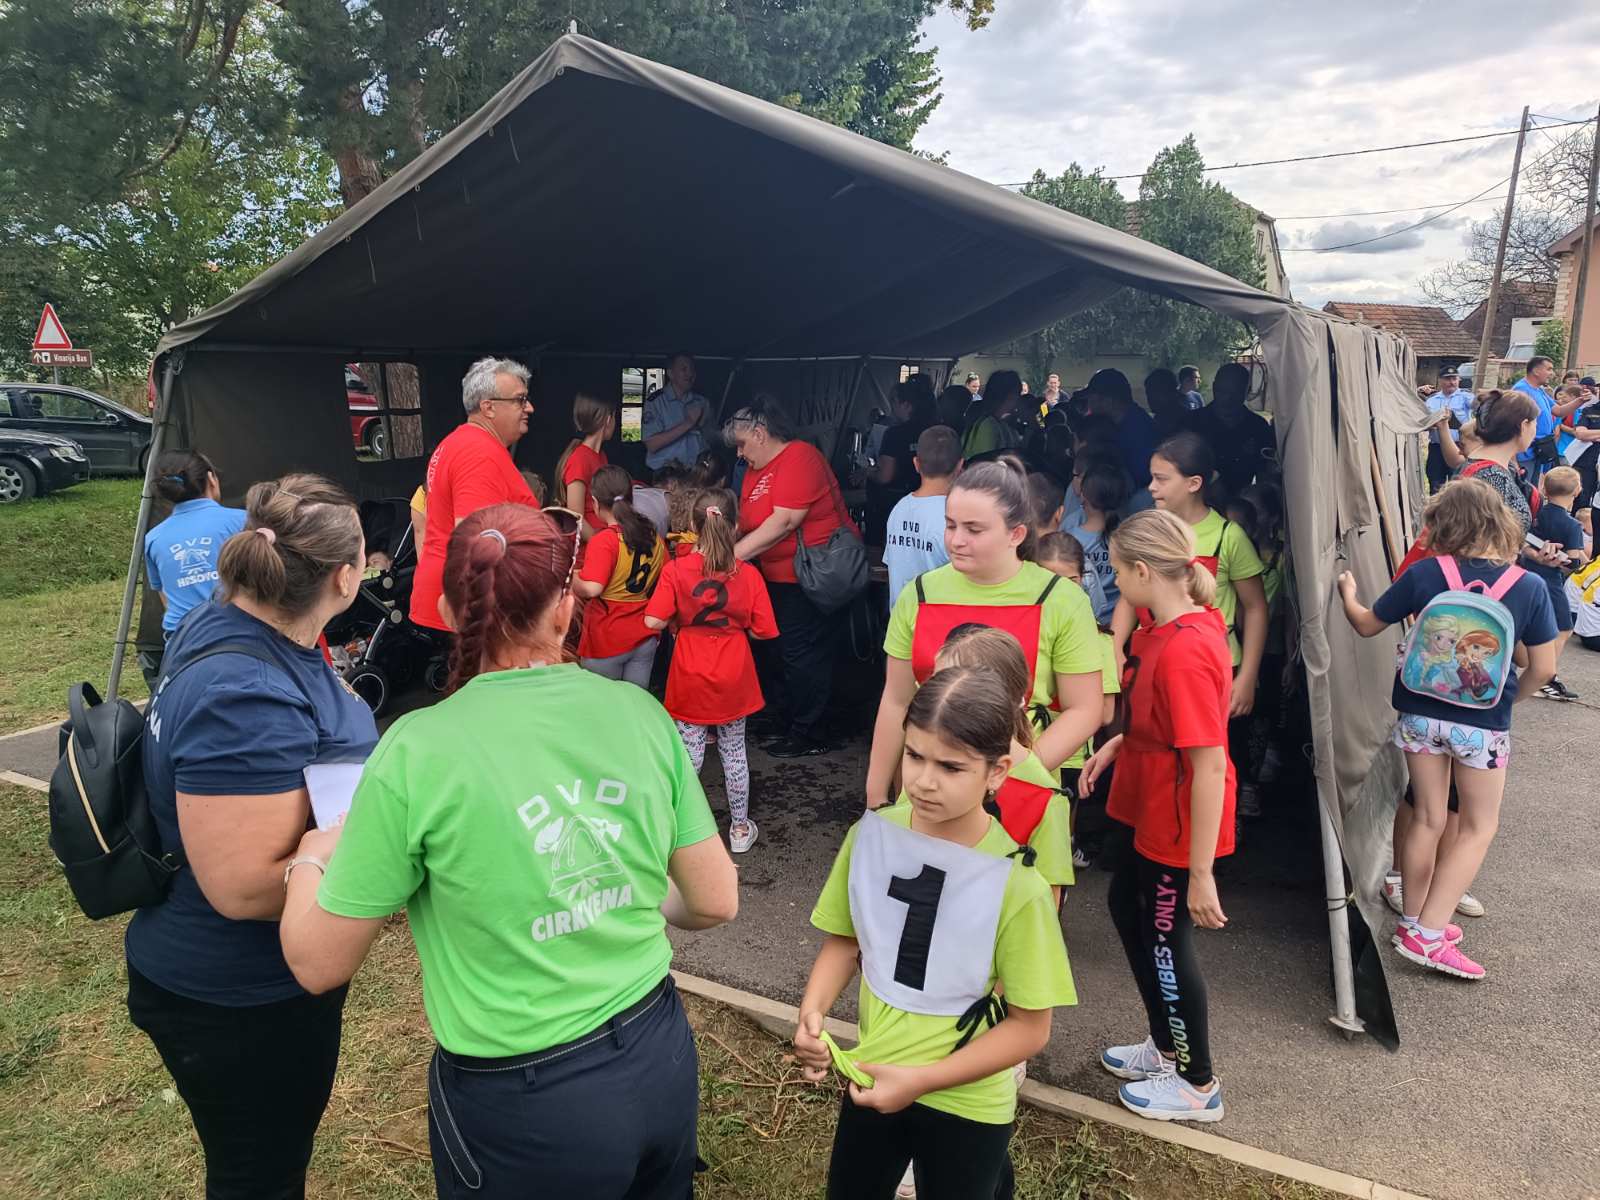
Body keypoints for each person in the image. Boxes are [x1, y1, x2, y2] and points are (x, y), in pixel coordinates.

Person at [277, 503, 739, 1199]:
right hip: (660, 1056)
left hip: (526, 1103)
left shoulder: (417, 750)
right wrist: (621, 888)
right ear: (566, 608)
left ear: (444, 609)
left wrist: (310, 857)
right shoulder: (640, 714)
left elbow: (317, 963)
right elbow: (714, 900)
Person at [128, 474, 376, 1199]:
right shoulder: (246, 696)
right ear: (344, 578)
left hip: (242, 985)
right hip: (238, 998)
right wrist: (357, 857)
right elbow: (241, 889)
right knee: (259, 1175)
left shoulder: (231, 620)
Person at [794, 666, 1076, 1200]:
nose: (924, 781)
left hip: (968, 1102)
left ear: (997, 771)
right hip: (873, 1070)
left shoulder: (1018, 885)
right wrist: (813, 1011)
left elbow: (1030, 1028)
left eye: (951, 766)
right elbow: (847, 940)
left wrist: (922, 1080)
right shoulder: (870, 837)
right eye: (914, 755)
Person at [1339, 478, 1556, 981]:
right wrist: (1508, 701)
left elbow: (1367, 624)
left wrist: (1349, 592)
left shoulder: (1426, 573)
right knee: (1478, 826)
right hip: (1481, 726)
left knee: (1428, 816)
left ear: (1442, 524)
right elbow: (1543, 668)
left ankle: (1414, 920)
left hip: (1419, 714)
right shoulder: (1527, 586)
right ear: (1498, 522)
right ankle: (1430, 934)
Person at [1080, 508, 1233, 1122]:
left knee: (1167, 941)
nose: (1116, 584)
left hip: (1177, 819)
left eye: (1118, 574)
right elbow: (1164, 717)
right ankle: (1167, 1046)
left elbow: (1209, 763)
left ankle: (1197, 1083)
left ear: (1144, 571)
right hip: (1149, 796)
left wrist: (1201, 872)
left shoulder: (1188, 648)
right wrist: (1122, 741)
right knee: (1127, 907)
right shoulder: (1159, 630)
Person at [866, 460, 1105, 808]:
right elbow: (896, 700)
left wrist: (1014, 775)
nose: (956, 540)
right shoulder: (918, 593)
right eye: (950, 525)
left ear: (1016, 534)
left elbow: (1085, 708)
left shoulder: (1061, 599)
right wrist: (875, 797)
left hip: (1019, 796)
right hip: (926, 793)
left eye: (974, 530)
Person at [645, 489, 778, 854]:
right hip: (734, 670)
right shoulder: (748, 574)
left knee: (689, 755)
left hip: (690, 669)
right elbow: (763, 630)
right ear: (735, 527)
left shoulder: (675, 570)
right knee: (734, 752)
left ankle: (682, 829)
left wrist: (678, 620)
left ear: (692, 525)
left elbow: (653, 619)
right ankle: (739, 829)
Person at [728, 394, 860, 758]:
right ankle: (790, 718)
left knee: (803, 654)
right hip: (778, 576)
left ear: (759, 433)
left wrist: (727, 559)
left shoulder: (800, 457)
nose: (739, 453)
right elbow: (746, 520)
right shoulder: (757, 469)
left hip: (810, 578)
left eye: (741, 444)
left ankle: (810, 731)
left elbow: (784, 521)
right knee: (780, 650)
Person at [1111, 434, 1268, 720]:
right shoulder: (1149, 529)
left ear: (1194, 483)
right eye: (1151, 477)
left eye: (1161, 479)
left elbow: (1256, 607)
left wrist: (1247, 676)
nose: (1151, 487)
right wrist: (1115, 648)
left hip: (1211, 666)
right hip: (1148, 660)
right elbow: (1129, 597)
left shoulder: (1228, 536)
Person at [934, 626, 1074, 901]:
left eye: (954, 692)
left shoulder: (1044, 798)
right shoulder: (928, 766)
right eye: (934, 687)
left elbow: (1047, 903)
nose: (937, 702)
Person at [410, 357, 538, 631]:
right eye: (520, 400)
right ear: (488, 407)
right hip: (467, 614)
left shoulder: (459, 442)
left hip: (450, 604)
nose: (529, 407)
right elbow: (475, 545)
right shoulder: (478, 453)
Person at [572, 465, 666, 688]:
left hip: (607, 636)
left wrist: (571, 576)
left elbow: (593, 588)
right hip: (644, 635)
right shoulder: (654, 537)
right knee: (635, 701)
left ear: (595, 502)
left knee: (601, 702)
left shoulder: (605, 540)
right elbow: (666, 579)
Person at [143, 449, 247, 643]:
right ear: (211, 479)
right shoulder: (243, 521)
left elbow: (165, 597)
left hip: (181, 642)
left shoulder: (153, 538)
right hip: (237, 636)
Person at [883, 426, 962, 612]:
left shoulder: (899, 509)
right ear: (960, 466)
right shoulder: (956, 516)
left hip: (900, 621)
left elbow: (893, 566)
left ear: (916, 464)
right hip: (939, 622)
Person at [1530, 466, 1589, 701]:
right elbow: (1572, 562)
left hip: (1529, 571)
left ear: (1545, 489)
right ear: (1577, 491)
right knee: (1564, 627)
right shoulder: (1572, 525)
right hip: (1551, 579)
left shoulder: (1537, 513)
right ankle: (1546, 677)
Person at [871, 376, 940, 542]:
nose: (891, 408)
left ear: (907, 404)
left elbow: (885, 476)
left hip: (897, 504)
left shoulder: (895, 434)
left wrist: (868, 473)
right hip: (932, 503)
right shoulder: (939, 431)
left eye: (894, 402)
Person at [1191, 363, 1274, 499]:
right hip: (1198, 502)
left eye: (1235, 393)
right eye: (1222, 391)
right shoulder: (1192, 423)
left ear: (1247, 391)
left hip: (1243, 504)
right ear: (1214, 387)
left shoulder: (1258, 427)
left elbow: (1265, 474)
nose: (1227, 399)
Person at [1064, 461, 1129, 625]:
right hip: (1121, 616)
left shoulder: (1071, 538)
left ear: (1083, 496)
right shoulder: (1128, 534)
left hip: (1085, 617)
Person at [1511, 355, 1585, 482]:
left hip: (1539, 451)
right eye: (1549, 369)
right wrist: (1514, 460)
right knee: (1523, 488)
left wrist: (1581, 400)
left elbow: (1559, 411)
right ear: (1536, 371)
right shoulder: (1521, 390)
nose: (1552, 373)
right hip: (1524, 455)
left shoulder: (1539, 390)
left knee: (1533, 490)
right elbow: (1513, 425)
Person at [554, 392, 617, 539]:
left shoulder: (601, 456)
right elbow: (576, 517)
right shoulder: (579, 459)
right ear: (608, 420)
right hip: (590, 546)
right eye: (615, 416)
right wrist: (599, 544)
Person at [1085, 368, 1157, 491]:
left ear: (1109, 401)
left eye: (1091, 400)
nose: (1089, 406)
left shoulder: (1138, 430)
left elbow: (1143, 477)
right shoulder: (1120, 424)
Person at [642, 352, 710, 473]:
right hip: (666, 473)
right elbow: (652, 444)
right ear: (670, 373)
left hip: (696, 472)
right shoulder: (656, 402)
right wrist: (688, 423)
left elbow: (710, 436)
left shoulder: (702, 402)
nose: (690, 374)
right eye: (684, 369)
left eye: (692, 369)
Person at [1424, 367, 1474, 492]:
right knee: (1435, 483)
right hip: (1437, 447)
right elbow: (1424, 421)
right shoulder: (1431, 400)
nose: (1451, 382)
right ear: (1440, 380)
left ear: (1459, 380)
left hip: (1458, 447)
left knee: (1458, 484)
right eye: (1447, 379)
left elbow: (1477, 405)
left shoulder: (1465, 397)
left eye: (1454, 379)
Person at [961, 370, 1025, 458]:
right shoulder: (988, 426)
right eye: (1017, 394)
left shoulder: (1003, 424)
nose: (1019, 399)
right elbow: (987, 462)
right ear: (1006, 396)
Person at [1143, 368, 1191, 439]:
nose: (1150, 399)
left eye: (1154, 393)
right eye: (1148, 394)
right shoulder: (1159, 418)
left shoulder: (1182, 422)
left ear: (1170, 392)